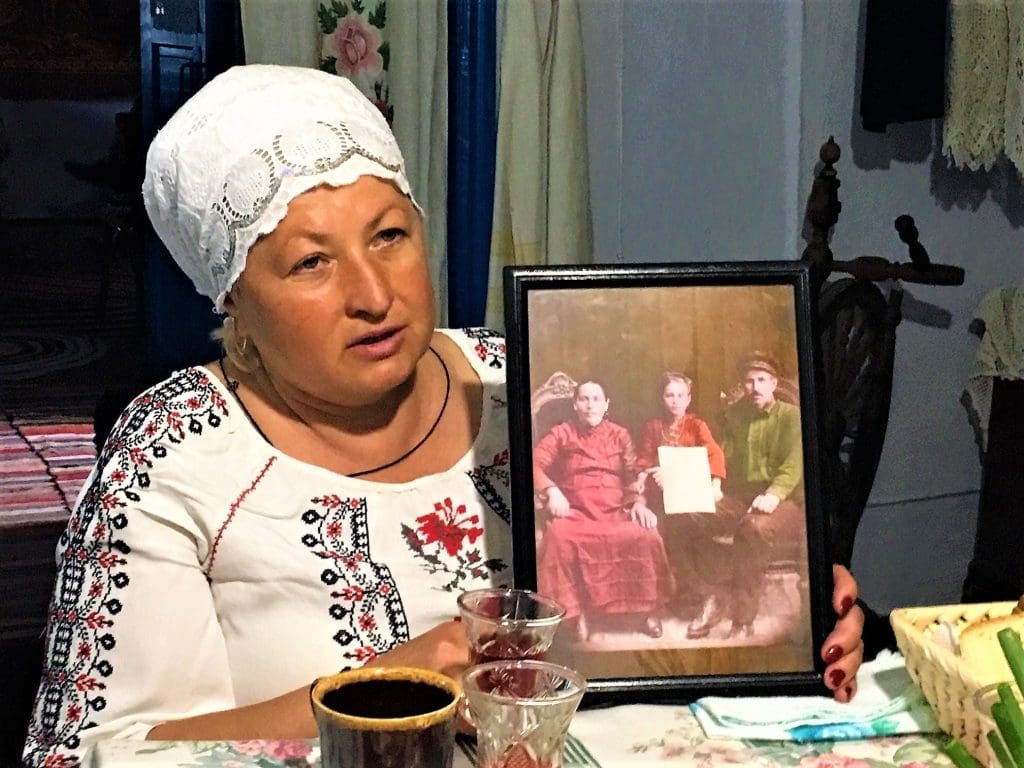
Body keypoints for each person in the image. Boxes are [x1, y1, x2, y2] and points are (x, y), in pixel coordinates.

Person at [22, 66, 865, 768]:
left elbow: (641, 629)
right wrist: (385, 686)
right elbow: (86, 752)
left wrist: (780, 629)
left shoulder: (521, 385)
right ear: (234, 299)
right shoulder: (175, 450)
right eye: (311, 261)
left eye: (389, 235)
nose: (374, 295)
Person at [533, 380, 673, 641]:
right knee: (559, 539)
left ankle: (647, 611)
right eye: (584, 399)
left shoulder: (620, 435)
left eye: (596, 399)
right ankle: (573, 615)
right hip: (576, 512)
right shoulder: (562, 433)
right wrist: (551, 491)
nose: (590, 405)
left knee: (646, 535)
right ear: (575, 405)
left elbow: (633, 477)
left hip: (615, 510)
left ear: (606, 404)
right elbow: (533, 462)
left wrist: (638, 504)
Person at [686, 352, 807, 640]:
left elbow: (793, 465)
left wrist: (774, 495)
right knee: (692, 512)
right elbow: (719, 455)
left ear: (774, 383)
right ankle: (713, 596)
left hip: (784, 498)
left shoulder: (791, 417)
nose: (755, 387)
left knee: (752, 529)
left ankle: (743, 619)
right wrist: (713, 484)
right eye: (749, 381)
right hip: (740, 495)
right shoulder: (735, 415)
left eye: (762, 380)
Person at [635, 372, 726, 612]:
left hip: (689, 492)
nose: (675, 400)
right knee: (659, 530)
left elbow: (714, 453)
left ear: (688, 399)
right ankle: (680, 595)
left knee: (685, 528)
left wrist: (716, 484)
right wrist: (651, 470)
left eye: (680, 395)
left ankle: (699, 593)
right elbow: (643, 457)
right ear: (662, 399)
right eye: (669, 395)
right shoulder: (653, 427)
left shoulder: (697, 425)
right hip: (660, 493)